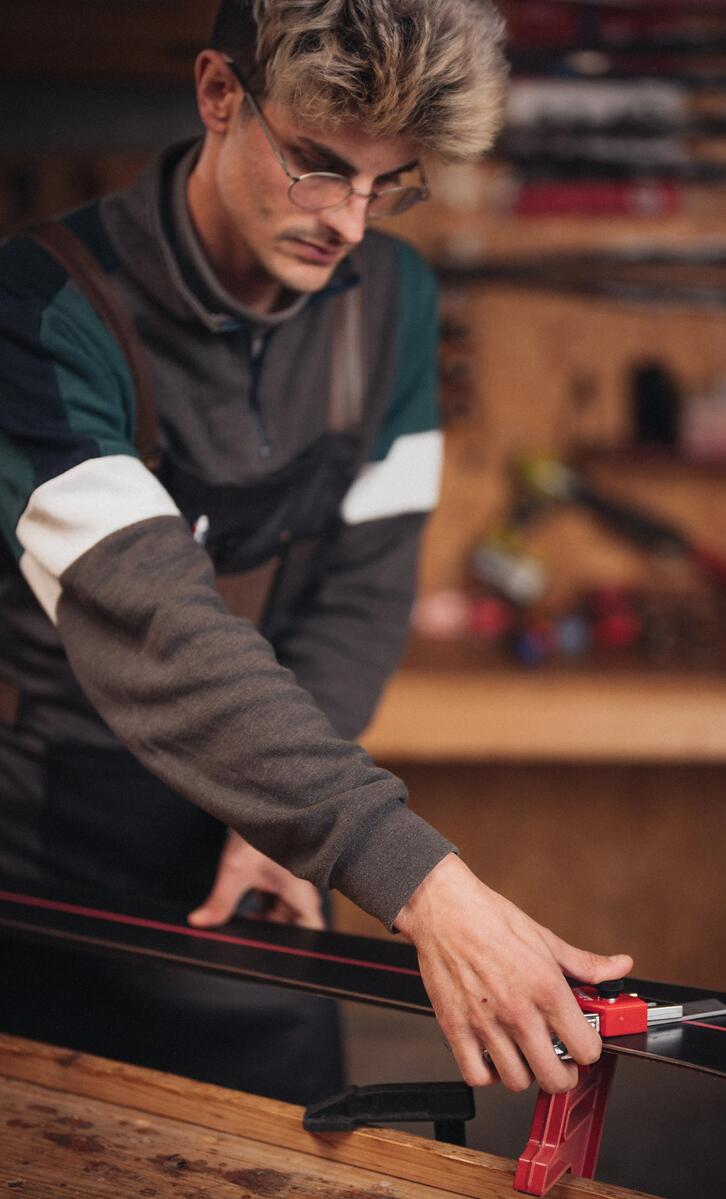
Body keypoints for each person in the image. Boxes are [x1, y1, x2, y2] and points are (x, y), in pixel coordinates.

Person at [0, 0, 631, 1103]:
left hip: (271, 832)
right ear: (218, 94)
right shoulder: (41, 311)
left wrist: (281, 826)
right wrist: (417, 877)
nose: (350, 220)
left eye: (392, 183)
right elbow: (154, 619)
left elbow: (361, 593)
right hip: (49, 848)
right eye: (317, 166)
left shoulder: (394, 304)